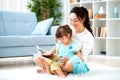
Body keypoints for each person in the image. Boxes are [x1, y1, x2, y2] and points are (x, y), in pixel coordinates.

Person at [34, 6, 94, 76]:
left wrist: (67, 59)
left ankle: (51, 70)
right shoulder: (69, 30)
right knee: (37, 58)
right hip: (60, 60)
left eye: (76, 20)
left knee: (73, 62)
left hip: (76, 62)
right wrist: (49, 53)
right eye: (71, 20)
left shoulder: (88, 37)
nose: (73, 23)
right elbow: (59, 45)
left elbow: (82, 58)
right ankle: (59, 71)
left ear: (83, 19)